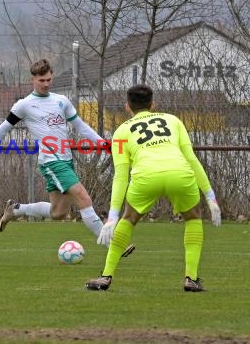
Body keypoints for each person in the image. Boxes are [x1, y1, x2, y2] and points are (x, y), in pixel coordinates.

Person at [0, 58, 134, 257]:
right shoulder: (24, 105)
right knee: (83, 197)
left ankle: (16, 210)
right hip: (51, 162)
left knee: (59, 213)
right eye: (42, 80)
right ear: (33, 79)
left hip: (66, 160)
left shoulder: (61, 101)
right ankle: (114, 245)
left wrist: (104, 144)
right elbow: (2, 130)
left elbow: (81, 127)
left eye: (49, 79)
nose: (46, 83)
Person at [85, 84, 221, 292]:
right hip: (179, 173)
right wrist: (211, 197)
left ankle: (106, 276)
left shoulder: (121, 131)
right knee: (193, 217)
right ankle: (191, 278)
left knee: (128, 219)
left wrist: (112, 216)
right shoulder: (173, 120)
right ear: (153, 104)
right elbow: (191, 159)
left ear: (127, 106)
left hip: (146, 176)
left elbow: (121, 176)